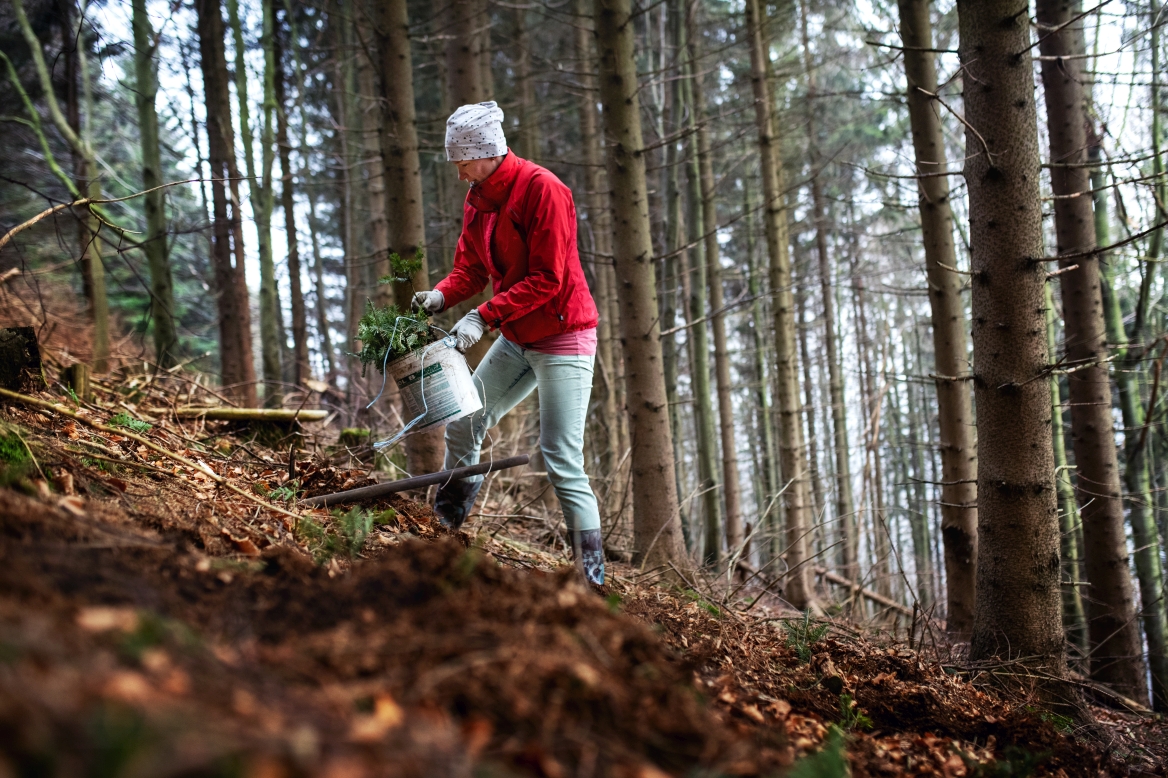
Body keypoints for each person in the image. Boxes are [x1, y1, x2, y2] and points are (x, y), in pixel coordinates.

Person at [412, 102, 606, 586]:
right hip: (519, 336)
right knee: (465, 422)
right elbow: (472, 269)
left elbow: (547, 278)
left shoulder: (544, 190)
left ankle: (593, 576)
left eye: (462, 161)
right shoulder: (479, 199)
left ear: (486, 152)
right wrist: (442, 295)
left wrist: (483, 316)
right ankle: (446, 535)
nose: (458, 173)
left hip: (564, 335)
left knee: (560, 456)